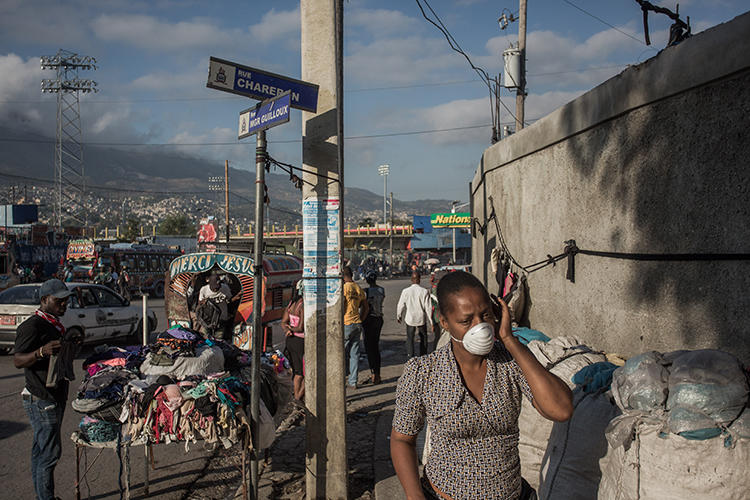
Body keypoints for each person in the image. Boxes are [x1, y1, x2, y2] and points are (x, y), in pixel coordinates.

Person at [390, 271, 573, 500]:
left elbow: (561, 409)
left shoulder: (510, 363)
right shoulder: (423, 372)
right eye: (466, 321)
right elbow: (402, 439)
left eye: (485, 315)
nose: (479, 326)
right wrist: (414, 495)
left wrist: (509, 340)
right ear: (445, 323)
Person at [14, 279, 79, 500]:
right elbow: (18, 360)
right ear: (44, 300)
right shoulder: (32, 326)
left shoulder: (53, 324)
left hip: (53, 394)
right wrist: (40, 352)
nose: (64, 305)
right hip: (42, 398)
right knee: (49, 455)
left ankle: (43, 496)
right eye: (59, 301)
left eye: (66, 301)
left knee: (41, 452)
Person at [396, 271, 432, 357]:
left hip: (410, 318)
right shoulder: (424, 291)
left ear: (411, 280)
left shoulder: (405, 291)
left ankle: (410, 356)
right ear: (419, 279)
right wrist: (431, 322)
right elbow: (428, 307)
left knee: (410, 338)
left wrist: (399, 315)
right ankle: (423, 356)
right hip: (421, 318)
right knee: (423, 338)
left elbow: (400, 305)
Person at [342, 266, 368, 389]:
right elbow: (365, 307)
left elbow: (341, 306)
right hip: (357, 323)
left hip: (346, 323)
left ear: (342, 276)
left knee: (340, 354)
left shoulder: (344, 288)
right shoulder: (358, 288)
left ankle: (340, 380)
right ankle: (353, 381)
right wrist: (360, 319)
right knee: (354, 354)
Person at [198, 270, 241, 340]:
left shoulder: (225, 288)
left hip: (221, 319)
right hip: (207, 320)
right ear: (210, 284)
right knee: (204, 339)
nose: (216, 289)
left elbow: (228, 300)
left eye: (218, 287)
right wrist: (204, 302)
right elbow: (200, 304)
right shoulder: (204, 290)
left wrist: (235, 298)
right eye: (214, 288)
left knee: (218, 340)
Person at [281, 280, 305, 402]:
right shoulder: (303, 305)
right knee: (303, 373)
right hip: (301, 341)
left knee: (296, 371)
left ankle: (297, 397)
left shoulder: (291, 304)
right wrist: (293, 329)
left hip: (291, 341)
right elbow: (301, 327)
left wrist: (288, 330)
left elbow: (283, 322)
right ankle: (298, 398)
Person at [362, 271, 385, 385]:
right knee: (375, 347)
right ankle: (378, 373)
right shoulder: (381, 290)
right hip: (379, 319)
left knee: (369, 348)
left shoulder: (366, 291)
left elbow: (364, 306)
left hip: (369, 319)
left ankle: (373, 374)